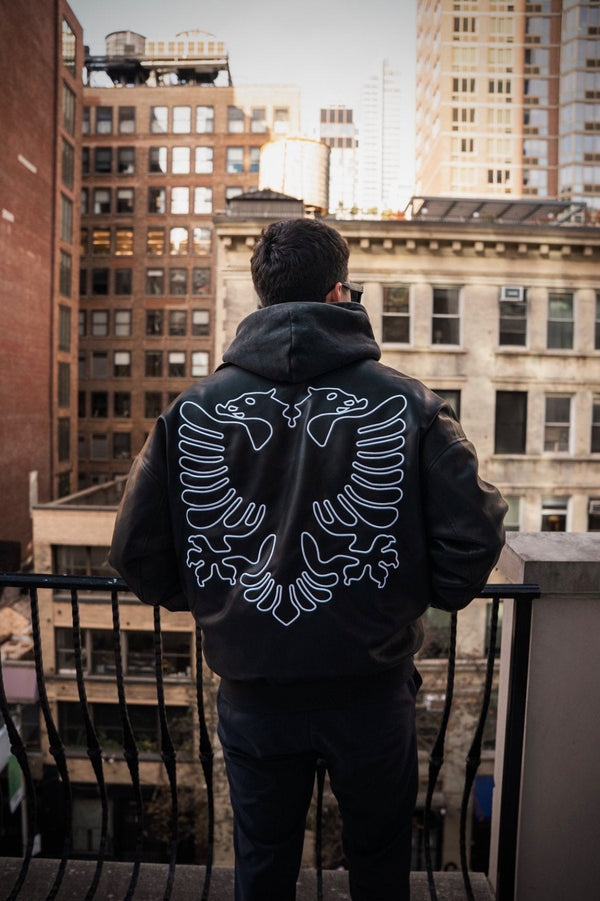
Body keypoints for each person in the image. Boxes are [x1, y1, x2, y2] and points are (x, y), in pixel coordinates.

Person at [109, 218, 506, 901]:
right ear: (338, 291)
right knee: (380, 863)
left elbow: (135, 552)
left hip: (253, 693)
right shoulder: (408, 402)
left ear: (264, 296)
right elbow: (474, 534)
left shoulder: (191, 411)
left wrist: (218, 601)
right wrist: (416, 597)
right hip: (370, 691)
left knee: (262, 866)